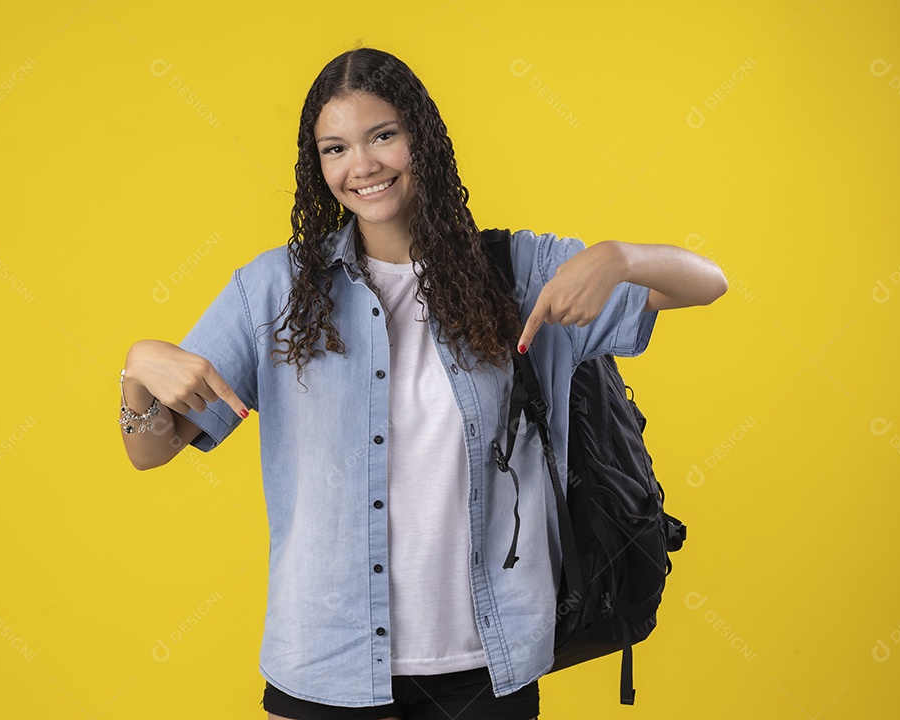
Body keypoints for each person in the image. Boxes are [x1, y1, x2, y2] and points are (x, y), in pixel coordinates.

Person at [119, 47, 726, 720]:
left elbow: (710, 283)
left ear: (423, 139)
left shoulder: (520, 273)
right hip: (326, 669)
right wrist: (139, 368)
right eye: (335, 148)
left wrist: (620, 257)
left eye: (383, 136)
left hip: (485, 673)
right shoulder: (275, 291)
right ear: (317, 167)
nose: (363, 165)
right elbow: (151, 449)